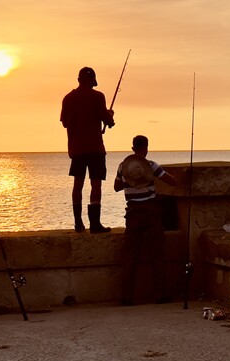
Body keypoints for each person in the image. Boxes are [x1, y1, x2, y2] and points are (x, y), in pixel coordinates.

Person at [114, 135, 178, 306]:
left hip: (133, 214)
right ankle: (159, 294)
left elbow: (116, 187)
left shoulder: (123, 167)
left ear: (133, 148)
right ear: (146, 148)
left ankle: (126, 296)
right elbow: (172, 182)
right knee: (157, 255)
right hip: (151, 213)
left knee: (130, 256)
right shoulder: (151, 165)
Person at [60, 66, 116, 233]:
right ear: (93, 81)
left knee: (78, 184)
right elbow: (108, 121)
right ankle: (95, 224)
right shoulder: (98, 96)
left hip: (76, 149)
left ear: (78, 80)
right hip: (95, 148)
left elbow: (64, 123)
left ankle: (78, 223)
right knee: (95, 184)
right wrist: (109, 116)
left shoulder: (68, 98)